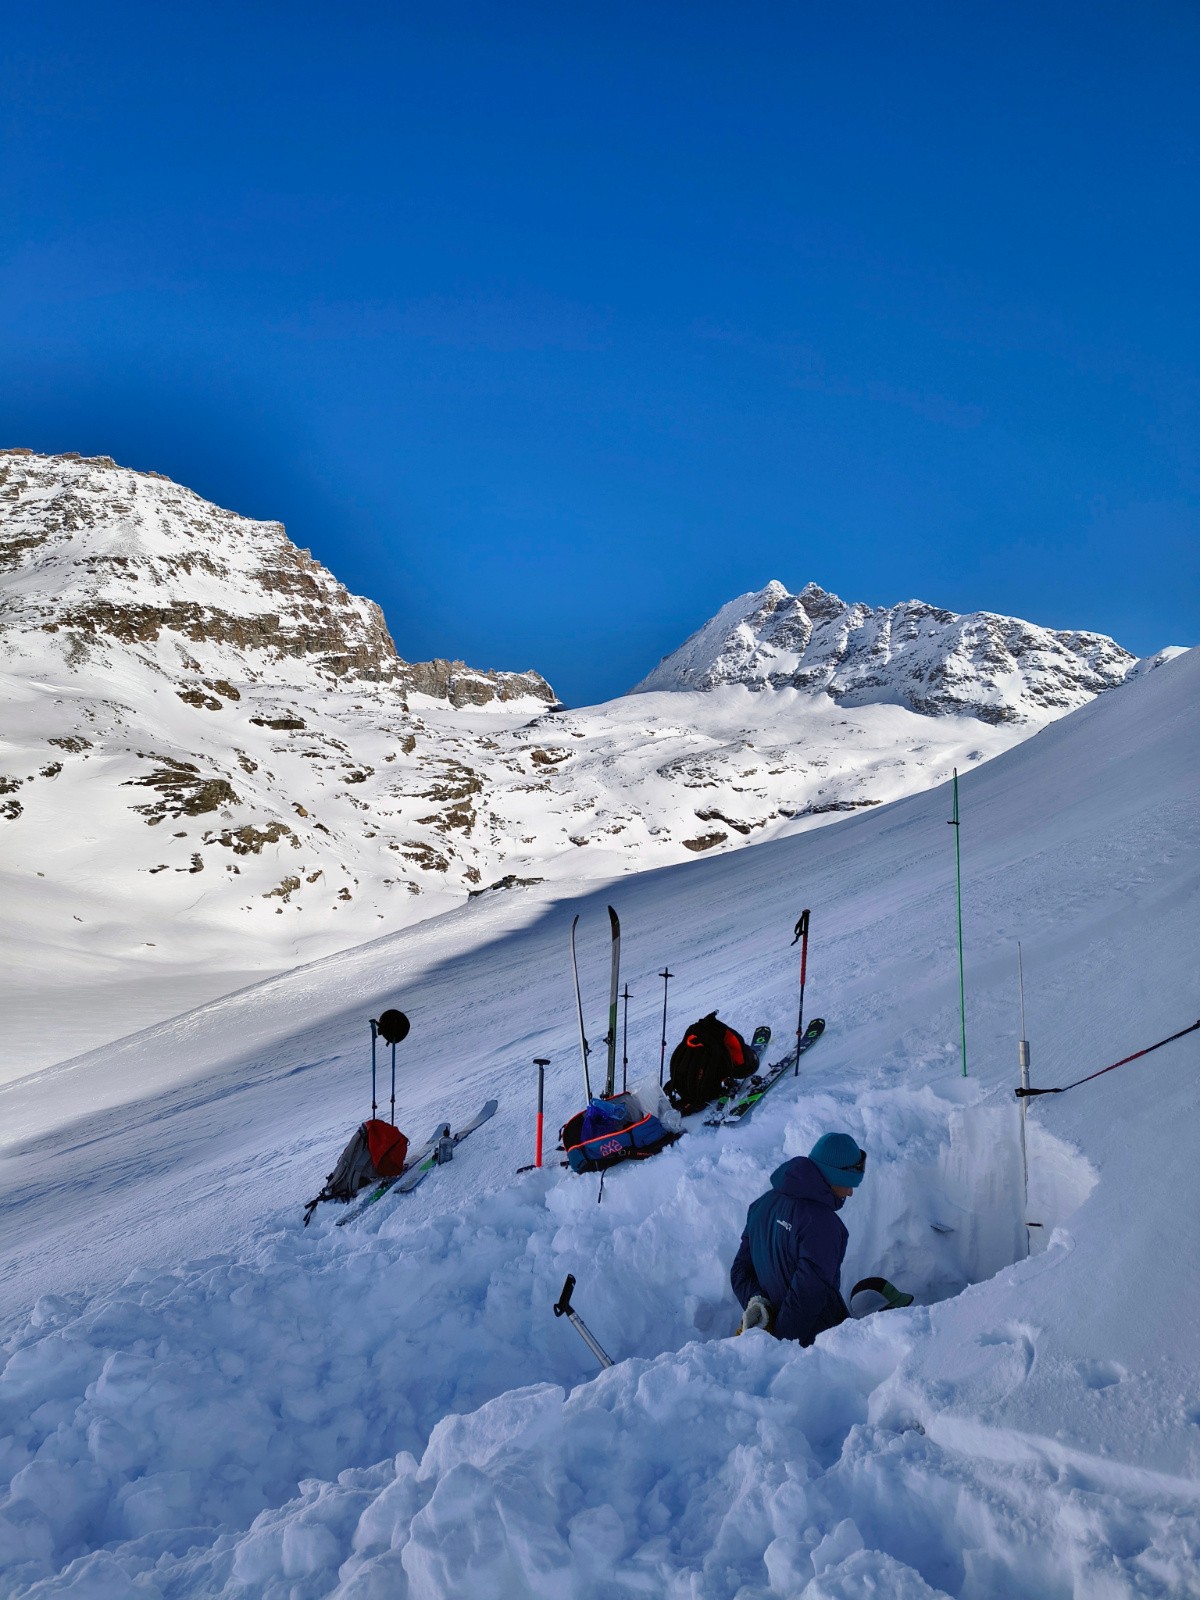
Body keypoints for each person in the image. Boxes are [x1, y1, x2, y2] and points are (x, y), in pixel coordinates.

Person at [730, 1132, 866, 1345]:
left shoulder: (762, 1205)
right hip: (818, 1342)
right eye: (848, 1184)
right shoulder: (823, 1225)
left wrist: (759, 1303)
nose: (850, 1193)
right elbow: (807, 1297)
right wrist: (780, 1345)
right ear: (832, 1176)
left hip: (774, 1335)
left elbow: (740, 1272)